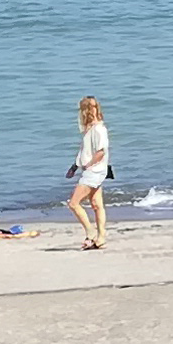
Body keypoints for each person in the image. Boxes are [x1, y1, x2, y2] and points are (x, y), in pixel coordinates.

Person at [65, 96, 114, 250]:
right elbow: (84, 151)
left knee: (73, 203)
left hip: (94, 171)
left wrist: (88, 164)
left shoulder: (99, 129)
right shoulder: (90, 129)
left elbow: (100, 152)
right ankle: (101, 238)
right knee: (96, 204)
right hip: (95, 171)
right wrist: (74, 167)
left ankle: (90, 232)